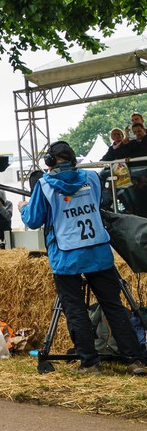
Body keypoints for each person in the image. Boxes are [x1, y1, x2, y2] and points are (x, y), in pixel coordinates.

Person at [21, 141, 147, 375]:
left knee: (75, 309)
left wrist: (23, 207)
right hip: (98, 252)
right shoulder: (91, 179)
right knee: (114, 307)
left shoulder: (44, 185)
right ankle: (135, 360)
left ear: (50, 162)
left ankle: (90, 363)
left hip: (66, 257)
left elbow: (33, 220)